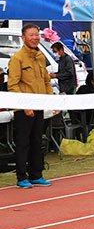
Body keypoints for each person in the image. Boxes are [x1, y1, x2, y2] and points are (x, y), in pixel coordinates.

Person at [7, 24, 58, 188]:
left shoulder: (40, 57)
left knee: (37, 141)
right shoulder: (17, 59)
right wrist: (24, 106)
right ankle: (22, 176)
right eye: (31, 35)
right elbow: (13, 86)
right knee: (23, 143)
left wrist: (52, 102)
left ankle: (36, 174)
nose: (35, 38)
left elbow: (46, 82)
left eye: (36, 35)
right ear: (23, 38)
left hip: (39, 107)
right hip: (23, 110)